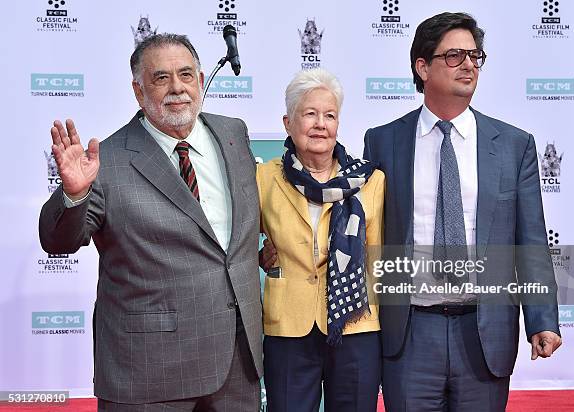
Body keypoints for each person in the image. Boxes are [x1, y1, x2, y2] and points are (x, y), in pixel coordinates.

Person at [39, 33, 262, 411]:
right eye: (161, 78)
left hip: (236, 364)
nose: (177, 88)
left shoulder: (233, 134)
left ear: (201, 79)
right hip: (149, 372)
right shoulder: (106, 160)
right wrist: (74, 194)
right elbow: (57, 240)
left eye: (186, 75)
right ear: (138, 91)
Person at [362, 12, 562, 411]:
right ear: (423, 66)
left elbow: (531, 242)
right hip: (410, 333)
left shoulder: (512, 145)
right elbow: (369, 234)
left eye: (475, 55)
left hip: (484, 331)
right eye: (454, 56)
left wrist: (542, 318)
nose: (469, 64)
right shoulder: (384, 142)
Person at [256, 68, 385, 412]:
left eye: (329, 115)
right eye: (309, 114)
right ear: (288, 122)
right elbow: (235, 238)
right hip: (289, 325)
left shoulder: (370, 181)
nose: (320, 124)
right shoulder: (264, 177)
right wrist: (259, 255)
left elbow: (378, 259)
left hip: (356, 322)